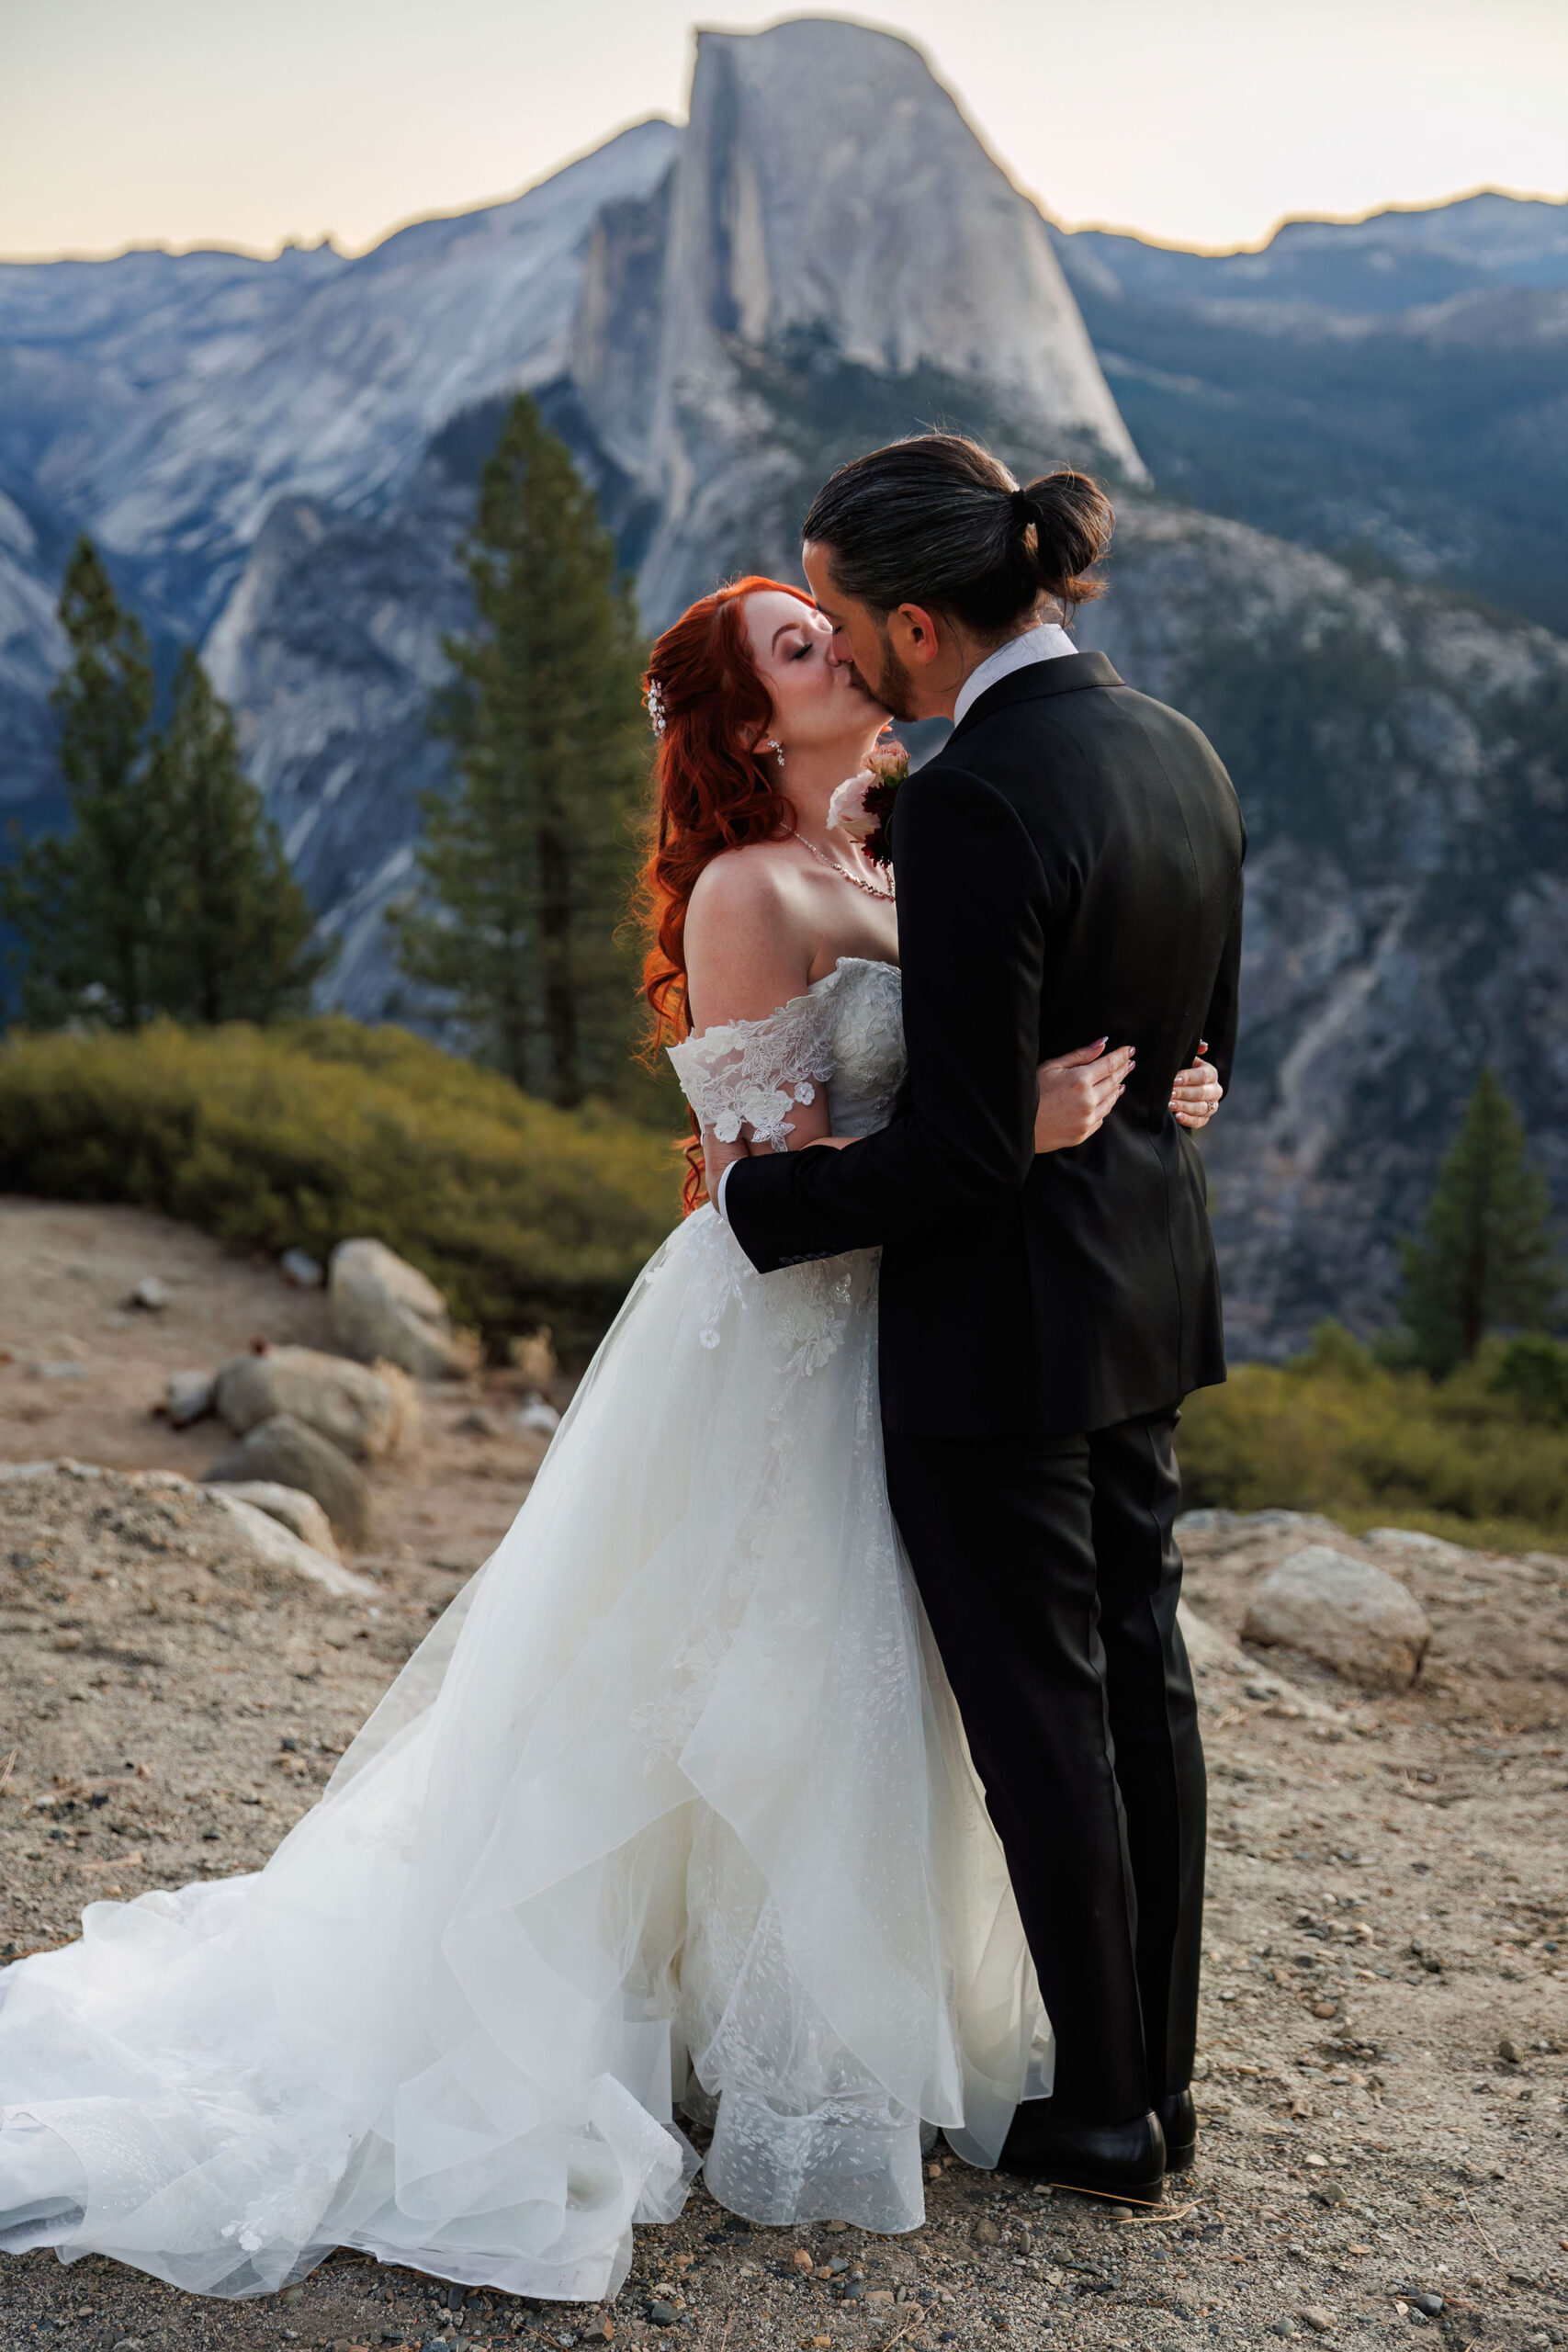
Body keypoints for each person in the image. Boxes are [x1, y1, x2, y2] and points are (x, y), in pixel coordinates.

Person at [0, 569, 1222, 2306]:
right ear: (744, 725)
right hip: (797, 1334)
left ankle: (859, 2022)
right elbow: (759, 1192)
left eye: (837, 623)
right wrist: (1013, 1132)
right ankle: (695, 2023)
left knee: (887, 1692)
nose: (849, 650)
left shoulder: (902, 846)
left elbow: (1015, 1025)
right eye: (802, 648)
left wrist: (1157, 1085)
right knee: (748, 1680)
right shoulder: (748, 891)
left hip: (932, 1329)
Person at [721, 437, 1247, 2203]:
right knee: (1145, 1686)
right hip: (1146, 1301)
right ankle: (1151, 2085)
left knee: (1044, 1718)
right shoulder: (1177, 745)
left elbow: (956, 1155)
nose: (847, 657)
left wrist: (760, 1201)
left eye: (852, 622)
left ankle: (1101, 2119)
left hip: (998, 1338)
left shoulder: (974, 801)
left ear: (925, 626)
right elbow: (1199, 1054)